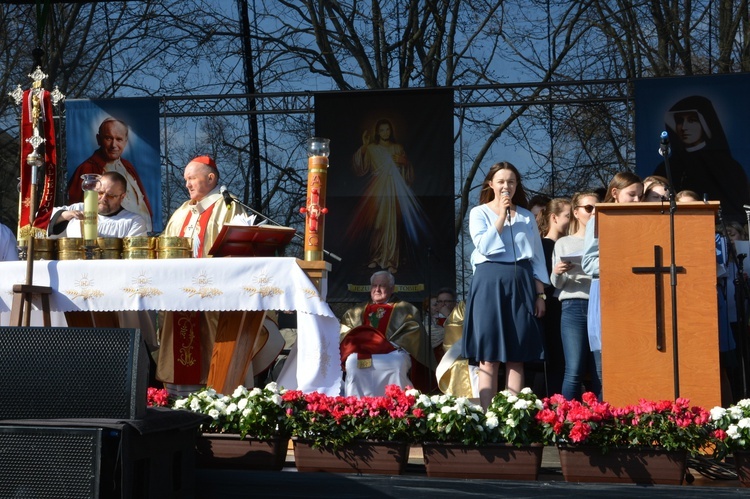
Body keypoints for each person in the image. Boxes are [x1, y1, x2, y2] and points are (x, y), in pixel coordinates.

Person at [155, 155, 245, 396]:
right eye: (185, 180)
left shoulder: (229, 206)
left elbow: (237, 250)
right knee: (180, 343)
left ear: (211, 178)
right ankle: (178, 395)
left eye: (191, 178)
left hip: (213, 295)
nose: (187, 184)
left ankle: (217, 394)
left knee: (212, 344)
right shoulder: (181, 211)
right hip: (180, 294)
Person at [460, 161, 548, 409]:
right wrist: (501, 216)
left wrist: (540, 294)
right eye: (500, 181)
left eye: (510, 181)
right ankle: (488, 416)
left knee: (516, 355)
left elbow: (537, 258)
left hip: (520, 281)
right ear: (491, 184)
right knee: (488, 356)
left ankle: (513, 415)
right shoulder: (479, 213)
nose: (506, 186)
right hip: (489, 283)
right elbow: (484, 247)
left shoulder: (527, 216)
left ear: (516, 184)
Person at [582, 172, 643, 400]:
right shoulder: (600, 217)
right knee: (608, 368)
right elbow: (589, 263)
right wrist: (624, 262)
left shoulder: (642, 217)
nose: (638, 201)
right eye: (632, 195)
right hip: (609, 295)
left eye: (641, 195)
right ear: (615, 194)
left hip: (637, 295)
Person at [652, 95, 750, 224]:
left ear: (705, 123)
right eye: (680, 121)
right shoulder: (666, 167)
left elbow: (737, 209)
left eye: (692, 120)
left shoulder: (728, 167)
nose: (684, 127)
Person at [348, 119, 428, 274]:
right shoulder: (371, 148)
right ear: (377, 132)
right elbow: (359, 168)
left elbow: (409, 174)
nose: (385, 132)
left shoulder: (397, 148)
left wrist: (405, 163)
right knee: (377, 224)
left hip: (394, 189)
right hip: (377, 188)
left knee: (393, 225)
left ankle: (392, 260)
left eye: (387, 130)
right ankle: (375, 257)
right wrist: (364, 146)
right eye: (382, 130)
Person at [340, 270, 436, 395]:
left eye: (382, 286)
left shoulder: (405, 309)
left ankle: (398, 404)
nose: (377, 289)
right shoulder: (356, 311)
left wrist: (389, 345)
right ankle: (356, 405)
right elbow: (346, 332)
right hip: (363, 352)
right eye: (374, 285)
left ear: (392, 288)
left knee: (397, 363)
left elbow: (413, 332)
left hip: (392, 351)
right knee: (352, 363)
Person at [550, 191, 601, 400]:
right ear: (576, 212)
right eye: (589, 208)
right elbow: (557, 285)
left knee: (600, 370)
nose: (593, 212)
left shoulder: (606, 240)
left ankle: (603, 418)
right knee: (574, 368)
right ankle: (568, 418)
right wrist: (557, 271)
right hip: (573, 304)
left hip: (599, 304)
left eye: (598, 208)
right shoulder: (564, 243)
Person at [68, 117, 154, 232]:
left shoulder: (128, 166)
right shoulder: (87, 169)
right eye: (108, 138)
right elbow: (78, 214)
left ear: (125, 141)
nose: (114, 145)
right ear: (99, 139)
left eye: (119, 139)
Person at [534, 197, 571, 396]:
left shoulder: (571, 244)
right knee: (554, 359)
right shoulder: (544, 246)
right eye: (568, 215)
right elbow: (540, 279)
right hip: (551, 310)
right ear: (554, 218)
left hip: (564, 308)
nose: (572, 219)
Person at [48, 171, 148, 238]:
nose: (103, 198)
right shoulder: (79, 208)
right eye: (100, 193)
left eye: (111, 196)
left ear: (122, 197)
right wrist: (64, 215)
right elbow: (41, 220)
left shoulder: (133, 221)